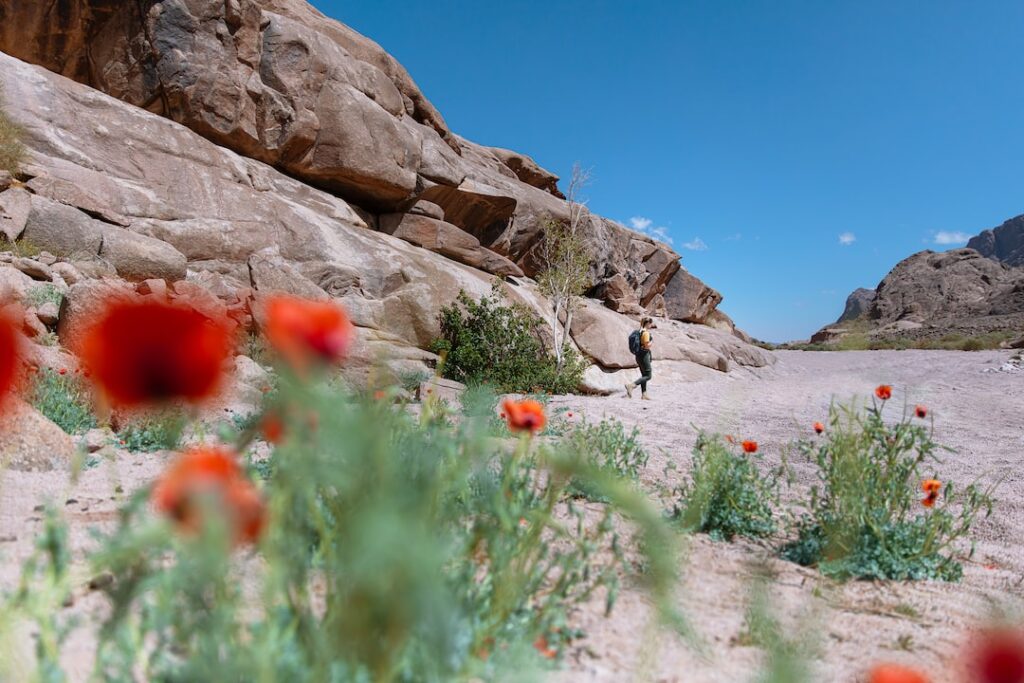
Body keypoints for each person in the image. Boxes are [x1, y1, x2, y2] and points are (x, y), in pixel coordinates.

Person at [625, 316, 654, 400]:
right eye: (650, 323)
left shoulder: (639, 331)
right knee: (648, 376)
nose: (651, 325)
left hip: (638, 356)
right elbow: (647, 345)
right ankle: (631, 385)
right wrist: (651, 342)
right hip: (644, 355)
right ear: (647, 323)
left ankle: (644, 394)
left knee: (644, 375)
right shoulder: (646, 333)